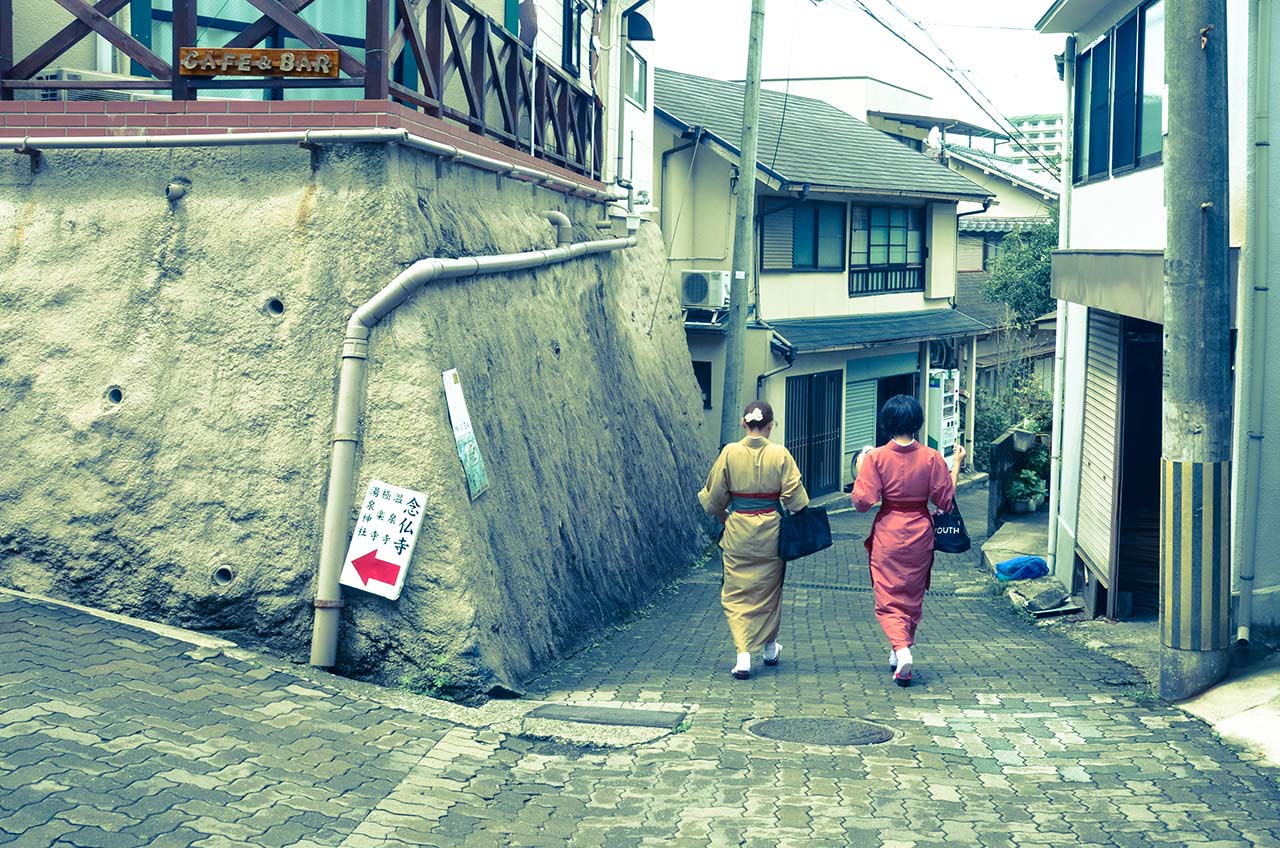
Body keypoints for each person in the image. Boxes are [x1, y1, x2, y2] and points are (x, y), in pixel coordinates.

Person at [851, 395, 963, 687]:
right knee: (912, 594)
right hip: (919, 532)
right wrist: (957, 466)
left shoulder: (875, 457)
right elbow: (945, 501)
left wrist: (863, 466)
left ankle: (901, 651)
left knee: (888, 596)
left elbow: (862, 502)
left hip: (888, 530)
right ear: (917, 422)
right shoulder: (931, 457)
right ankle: (900, 649)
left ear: (886, 423)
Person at [698, 401, 809, 680]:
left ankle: (743, 655)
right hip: (772, 531)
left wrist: (724, 513)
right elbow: (796, 500)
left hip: (738, 532)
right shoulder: (780, 454)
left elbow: (713, 500)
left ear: (743, 424)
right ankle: (769, 648)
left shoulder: (730, 453)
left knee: (736, 594)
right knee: (769, 592)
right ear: (770, 426)